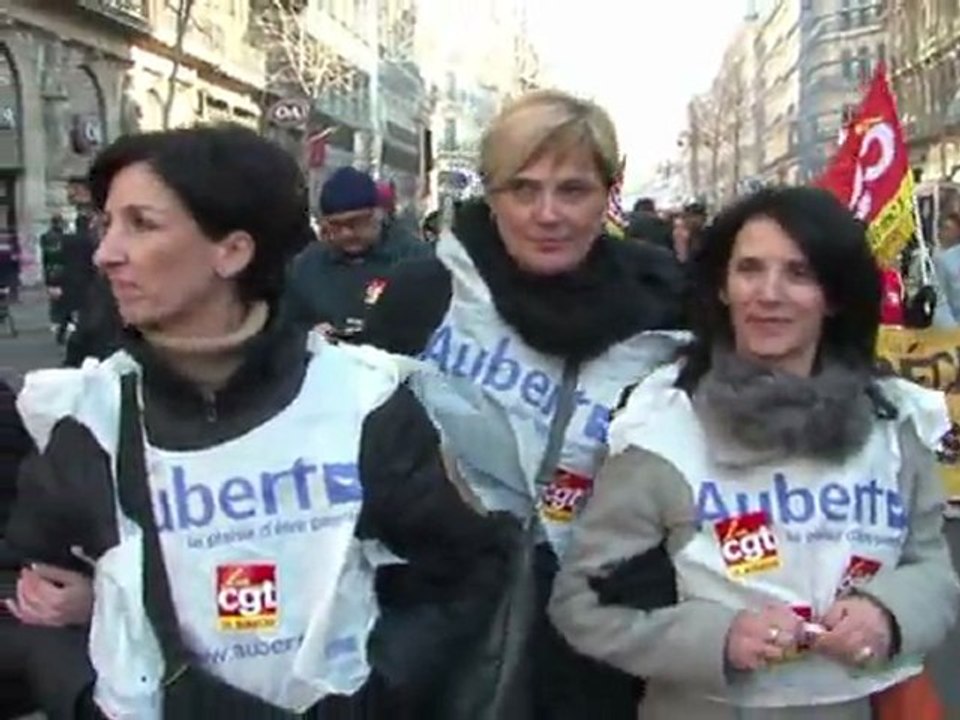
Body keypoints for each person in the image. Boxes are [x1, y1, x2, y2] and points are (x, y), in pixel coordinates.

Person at [6, 124, 515, 719]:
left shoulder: (363, 403)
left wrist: (369, 702)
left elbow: (458, 578)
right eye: (107, 224)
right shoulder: (90, 415)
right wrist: (87, 696)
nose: (106, 252)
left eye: (141, 224)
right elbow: (24, 595)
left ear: (233, 251)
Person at [549, 186, 960, 720]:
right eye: (749, 269)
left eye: (799, 273)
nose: (769, 294)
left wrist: (887, 614)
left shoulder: (894, 425)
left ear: (833, 296)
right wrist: (718, 639)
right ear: (722, 286)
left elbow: (932, 569)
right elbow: (583, 605)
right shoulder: (662, 430)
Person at [364, 89, 685, 719]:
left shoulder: (666, 309)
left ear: (608, 193)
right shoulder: (424, 294)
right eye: (523, 189)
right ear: (489, 192)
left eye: (573, 190)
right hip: (442, 628)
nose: (548, 214)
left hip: (601, 642)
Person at [283, 166, 429, 341]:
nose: (346, 233)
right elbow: (285, 322)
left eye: (355, 222)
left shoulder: (416, 259)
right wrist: (309, 332)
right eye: (335, 226)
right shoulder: (308, 265)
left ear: (378, 214)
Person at [40, 214, 70, 343]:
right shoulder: (65, 238)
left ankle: (56, 322)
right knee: (63, 300)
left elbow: (45, 257)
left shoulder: (45, 237)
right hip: (62, 272)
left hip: (51, 272)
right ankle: (60, 323)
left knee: (55, 299)